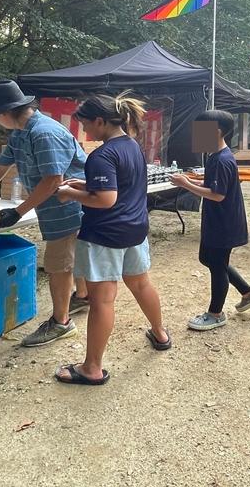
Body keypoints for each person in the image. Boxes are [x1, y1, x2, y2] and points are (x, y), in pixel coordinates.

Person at [0, 80, 90, 348]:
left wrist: (19, 211)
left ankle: (61, 323)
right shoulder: (21, 133)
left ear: (3, 113)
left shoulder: (43, 133)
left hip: (67, 206)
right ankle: (83, 295)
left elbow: (53, 180)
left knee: (59, 264)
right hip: (53, 202)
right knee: (71, 256)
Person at [52, 93, 170, 385]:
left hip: (105, 234)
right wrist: (84, 184)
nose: (85, 132)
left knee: (103, 301)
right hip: (134, 230)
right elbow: (122, 186)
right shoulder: (132, 146)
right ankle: (160, 333)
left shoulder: (102, 155)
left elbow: (105, 199)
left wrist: (69, 193)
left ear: (101, 121)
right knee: (141, 284)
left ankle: (91, 368)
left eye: (87, 126)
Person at [169, 110, 250, 331]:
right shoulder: (215, 156)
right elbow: (215, 184)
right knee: (209, 258)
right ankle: (248, 293)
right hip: (218, 220)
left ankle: (215, 313)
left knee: (217, 264)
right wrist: (196, 179)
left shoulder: (222, 160)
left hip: (224, 222)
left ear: (218, 132)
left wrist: (185, 184)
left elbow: (217, 194)